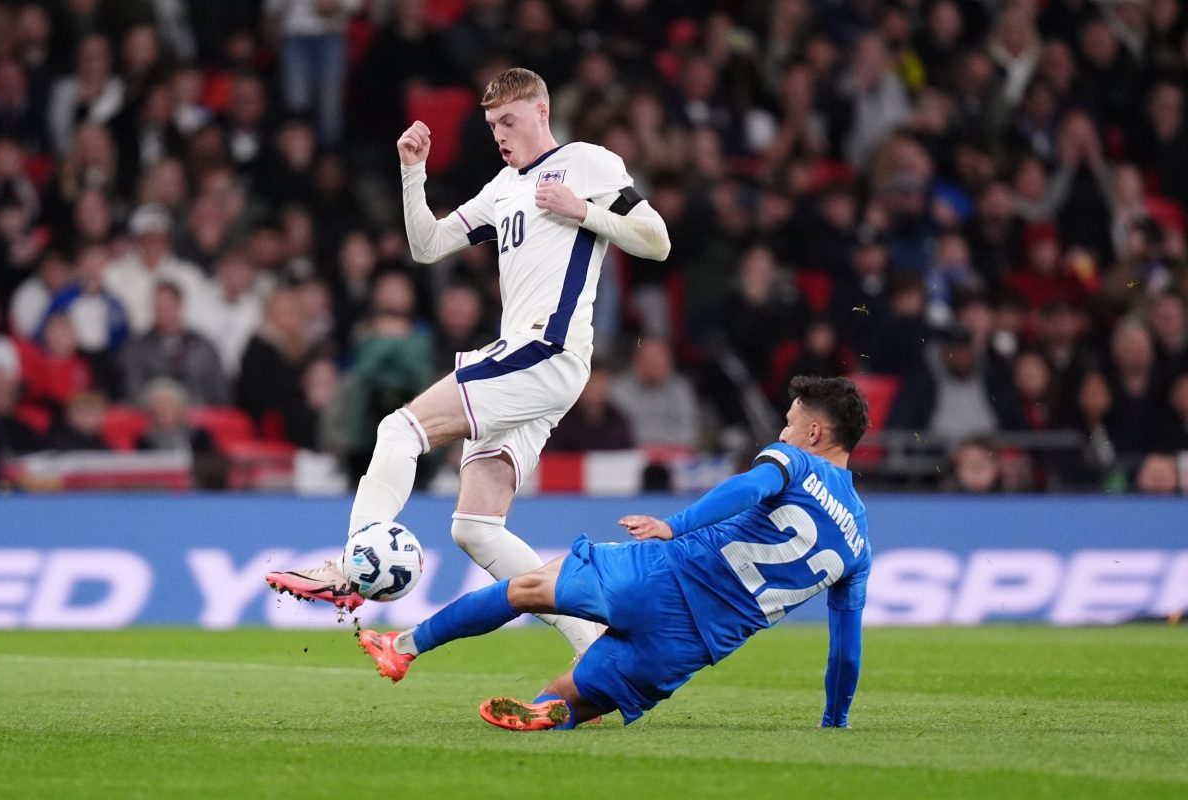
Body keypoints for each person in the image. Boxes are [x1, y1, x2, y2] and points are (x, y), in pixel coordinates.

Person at [267, 67, 671, 659]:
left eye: (508, 121)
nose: (500, 135)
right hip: (534, 361)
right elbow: (426, 246)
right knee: (474, 527)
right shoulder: (503, 186)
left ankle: (352, 567)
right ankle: (598, 651)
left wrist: (583, 212)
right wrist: (412, 173)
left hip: (546, 348)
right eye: (491, 125)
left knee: (398, 429)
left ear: (541, 111)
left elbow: (655, 239)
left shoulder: (587, 163)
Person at [355, 376, 871, 731]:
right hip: (692, 646)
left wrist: (674, 525)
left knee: (527, 588)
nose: (782, 432)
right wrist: (835, 720)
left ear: (813, 433)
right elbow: (845, 650)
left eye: (788, 423)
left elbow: (747, 487)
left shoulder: (795, 461)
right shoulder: (858, 545)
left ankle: (404, 646)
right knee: (566, 696)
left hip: (665, 576)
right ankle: (559, 708)